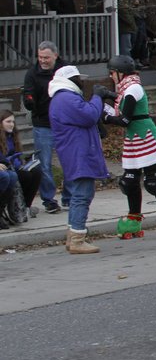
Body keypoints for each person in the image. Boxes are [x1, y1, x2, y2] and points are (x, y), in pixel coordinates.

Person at [98, 55, 156, 239]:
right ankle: (134, 221)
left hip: (145, 138)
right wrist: (104, 100)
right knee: (129, 182)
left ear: (120, 73)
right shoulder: (126, 88)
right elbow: (121, 105)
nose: (111, 76)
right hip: (133, 139)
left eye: (112, 73)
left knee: (153, 182)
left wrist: (104, 116)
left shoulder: (133, 87)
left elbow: (124, 119)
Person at [48, 65, 109, 254]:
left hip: (76, 152)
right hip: (78, 154)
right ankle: (77, 239)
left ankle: (73, 236)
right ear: (71, 79)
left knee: (79, 195)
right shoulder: (66, 98)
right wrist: (98, 97)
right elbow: (89, 115)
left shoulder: (63, 97)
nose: (82, 82)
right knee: (82, 195)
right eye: (79, 79)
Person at [22, 40, 68, 213]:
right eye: (40, 57)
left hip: (64, 124)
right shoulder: (32, 74)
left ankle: (69, 197)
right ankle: (49, 200)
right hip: (43, 124)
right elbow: (28, 93)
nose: (43, 61)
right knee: (44, 164)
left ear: (55, 56)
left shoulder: (64, 71)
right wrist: (29, 101)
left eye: (46, 57)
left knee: (68, 162)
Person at [0, 109, 42, 222]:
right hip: (7, 167)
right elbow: (4, 159)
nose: (12, 124)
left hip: (15, 166)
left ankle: (26, 206)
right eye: (8, 121)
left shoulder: (12, 136)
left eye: (13, 122)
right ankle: (14, 207)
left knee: (37, 171)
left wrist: (22, 160)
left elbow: (16, 155)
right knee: (24, 176)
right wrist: (11, 160)